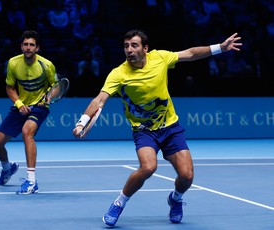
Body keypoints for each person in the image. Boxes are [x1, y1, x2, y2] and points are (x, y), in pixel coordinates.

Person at [72, 29, 242, 226]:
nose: (129, 50)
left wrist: (220, 48)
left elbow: (190, 54)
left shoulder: (160, 58)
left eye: (134, 45)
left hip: (170, 127)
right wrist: (81, 122)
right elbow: (99, 99)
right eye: (126, 46)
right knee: (148, 167)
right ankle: (119, 203)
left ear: (145, 48)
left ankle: (175, 199)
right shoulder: (118, 74)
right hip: (144, 130)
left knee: (187, 176)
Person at [0, 30, 58, 195]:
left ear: (37, 48)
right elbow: (10, 87)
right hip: (20, 106)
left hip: (40, 106)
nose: (28, 48)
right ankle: (8, 167)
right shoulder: (13, 63)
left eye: (32, 45)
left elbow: (56, 86)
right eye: (25, 44)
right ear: (21, 46)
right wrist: (19, 103)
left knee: (26, 132)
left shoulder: (47, 65)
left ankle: (31, 181)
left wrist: (48, 98)